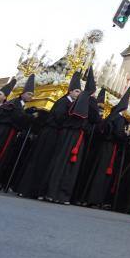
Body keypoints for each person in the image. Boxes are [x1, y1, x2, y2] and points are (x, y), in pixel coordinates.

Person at [17, 71, 81, 199]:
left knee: (45, 161)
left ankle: (35, 190)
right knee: (40, 159)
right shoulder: (63, 102)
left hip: (54, 133)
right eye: (77, 91)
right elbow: (58, 117)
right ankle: (27, 189)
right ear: (71, 92)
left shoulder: (70, 103)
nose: (79, 94)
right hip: (50, 133)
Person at [45, 68, 100, 204]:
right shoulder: (86, 100)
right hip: (73, 135)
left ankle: (56, 194)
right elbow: (95, 118)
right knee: (66, 164)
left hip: (73, 135)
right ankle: (57, 194)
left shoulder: (82, 100)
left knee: (65, 163)